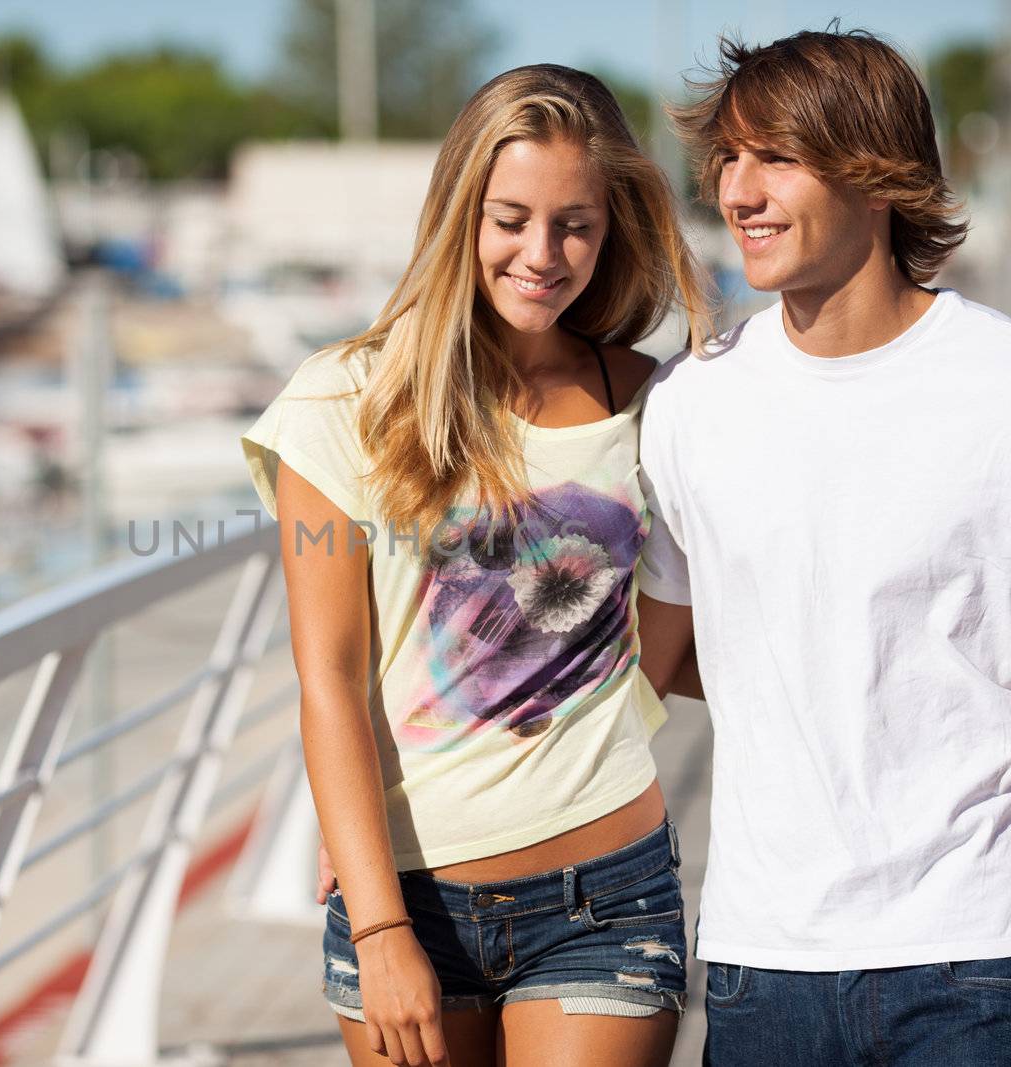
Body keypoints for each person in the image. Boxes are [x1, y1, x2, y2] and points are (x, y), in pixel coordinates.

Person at [635, 28, 1011, 1066]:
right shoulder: (691, 402)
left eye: (773, 156)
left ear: (875, 171)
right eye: (727, 159)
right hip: (758, 959)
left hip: (979, 957)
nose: (737, 189)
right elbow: (657, 660)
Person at [241, 64, 709, 1067]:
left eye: (574, 224)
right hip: (404, 900)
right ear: (460, 212)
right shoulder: (340, 404)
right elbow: (326, 679)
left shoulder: (655, 403)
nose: (542, 254)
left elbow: (661, 641)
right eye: (510, 218)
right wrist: (377, 927)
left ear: (610, 226)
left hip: (607, 892)